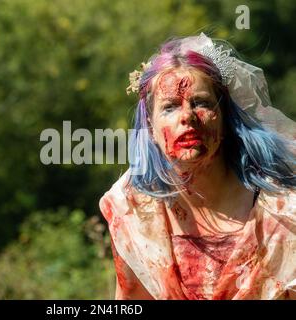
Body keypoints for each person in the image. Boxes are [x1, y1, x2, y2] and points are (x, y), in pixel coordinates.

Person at [99, 33, 296, 300]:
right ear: (150, 129)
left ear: (226, 118)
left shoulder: (284, 211)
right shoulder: (133, 211)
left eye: (201, 103)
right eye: (169, 107)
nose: (188, 117)